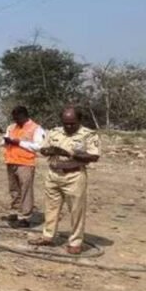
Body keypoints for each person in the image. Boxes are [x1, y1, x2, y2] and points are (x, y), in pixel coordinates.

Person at [29, 107, 101, 254]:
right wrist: (49, 151)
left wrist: (69, 153)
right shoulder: (54, 132)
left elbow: (94, 156)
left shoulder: (88, 135)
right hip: (54, 174)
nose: (68, 126)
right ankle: (47, 236)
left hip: (74, 176)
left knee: (76, 210)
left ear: (79, 121)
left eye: (72, 124)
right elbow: (43, 149)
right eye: (65, 123)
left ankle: (75, 242)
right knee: (51, 208)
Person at [2, 105, 46, 228]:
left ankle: (25, 217)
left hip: (26, 163)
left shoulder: (36, 128)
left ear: (25, 116)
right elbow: (5, 140)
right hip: (11, 161)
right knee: (14, 189)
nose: (16, 121)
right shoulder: (11, 127)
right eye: (14, 118)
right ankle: (16, 211)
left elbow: (39, 146)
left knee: (26, 189)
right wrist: (6, 141)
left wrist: (19, 143)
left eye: (18, 118)